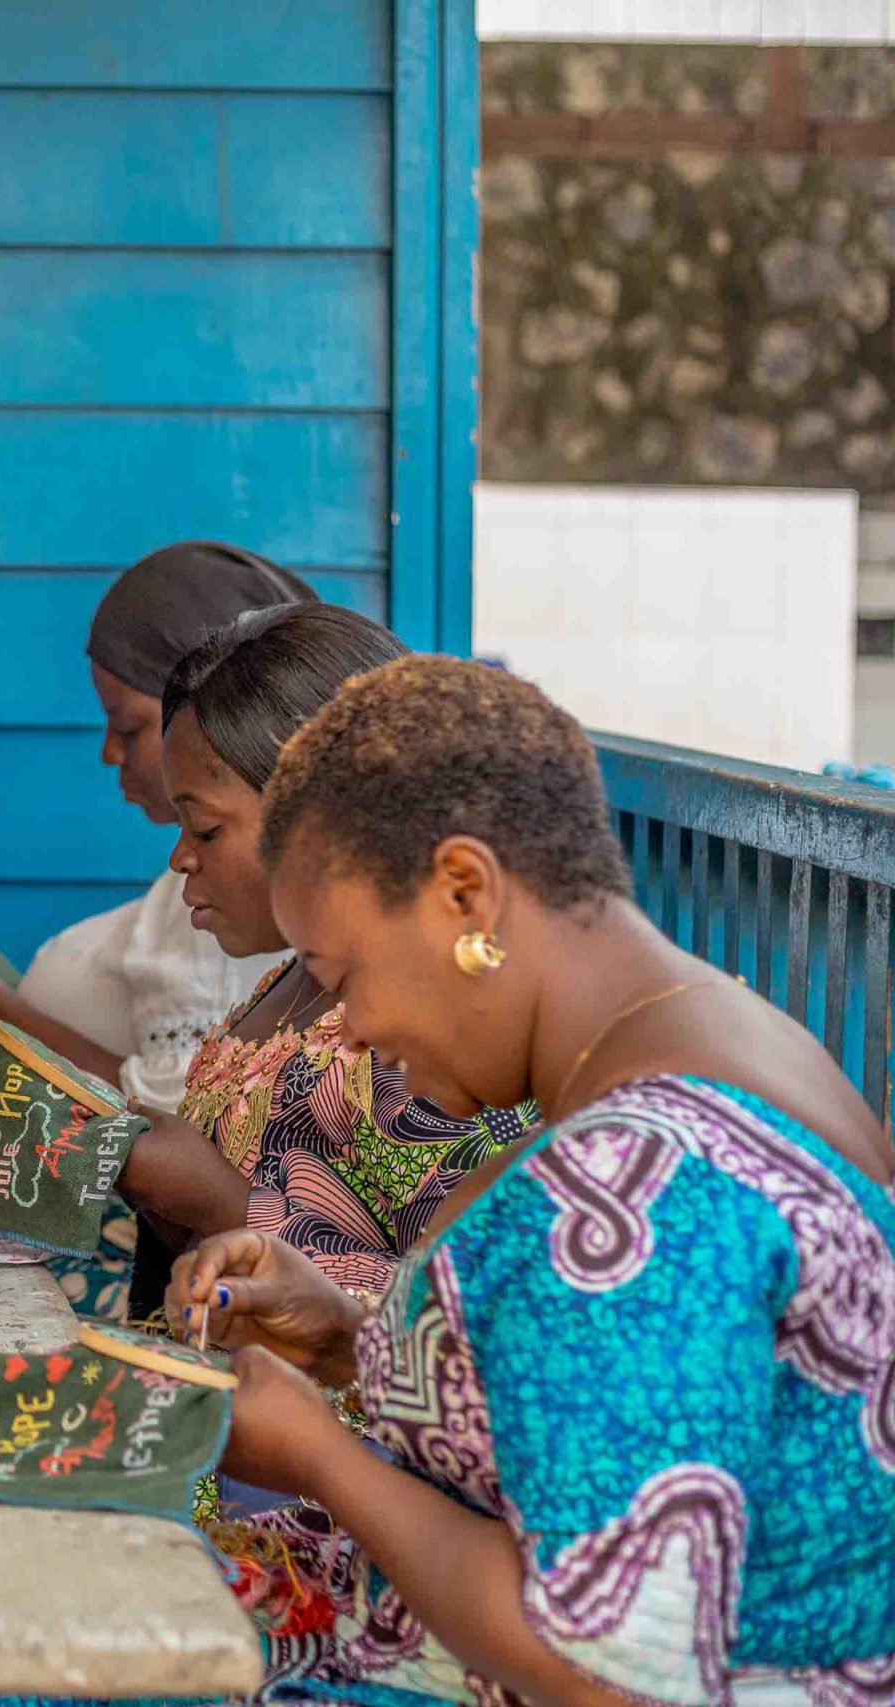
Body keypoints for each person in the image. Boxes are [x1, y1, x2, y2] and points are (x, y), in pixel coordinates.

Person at [169, 655, 895, 1702]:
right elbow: (609, 1406)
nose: (356, 1029)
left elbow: (608, 1672)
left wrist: (321, 1456)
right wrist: (343, 1340)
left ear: (464, 891)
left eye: (345, 978)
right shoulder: (719, 1036)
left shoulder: (637, 1185)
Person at [113, 605, 537, 1302]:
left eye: (208, 829)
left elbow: (471, 1320)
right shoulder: (303, 978)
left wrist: (222, 1204)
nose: (180, 856)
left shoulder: (438, 1031)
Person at [0, 541, 304, 1113]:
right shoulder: (195, 886)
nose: (110, 753)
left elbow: (190, 1120)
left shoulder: (257, 923)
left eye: (129, 727)